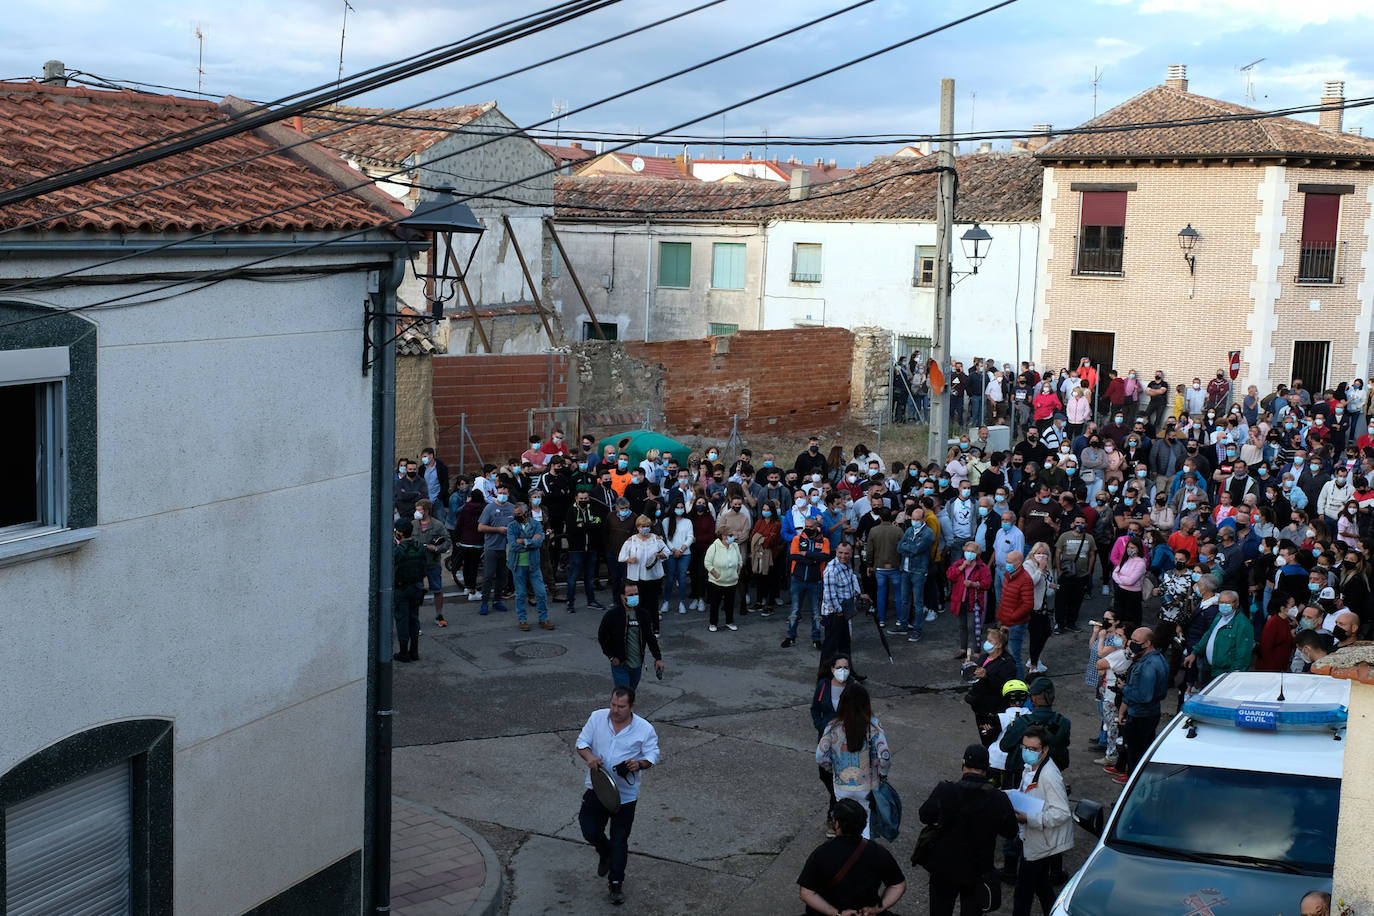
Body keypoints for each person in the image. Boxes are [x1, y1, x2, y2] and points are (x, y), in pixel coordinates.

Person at [576, 686, 661, 906]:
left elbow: (652, 755)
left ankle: (615, 884)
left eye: (621, 707)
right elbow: (581, 743)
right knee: (589, 829)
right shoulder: (597, 718)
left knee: (620, 841)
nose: (615, 710)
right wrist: (590, 757)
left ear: (631, 706)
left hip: (626, 796)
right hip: (598, 788)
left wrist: (638, 764)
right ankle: (603, 852)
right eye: (613, 704)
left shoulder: (644, 728)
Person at [916, 744, 1018, 916]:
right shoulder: (997, 798)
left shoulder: (945, 790)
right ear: (987, 767)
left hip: (944, 867)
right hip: (977, 871)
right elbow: (1011, 831)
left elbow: (924, 816)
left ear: (963, 764)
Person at [797, 798, 907, 916]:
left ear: (837, 824)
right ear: (864, 824)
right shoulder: (878, 852)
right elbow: (898, 886)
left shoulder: (821, 853)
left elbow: (806, 893)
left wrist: (837, 913)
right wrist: (876, 909)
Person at [1009, 725, 1073, 916]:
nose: (1028, 752)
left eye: (1033, 749)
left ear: (1045, 750)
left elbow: (1062, 812)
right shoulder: (1030, 767)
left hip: (1039, 844)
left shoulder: (1049, 776)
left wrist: (1029, 818)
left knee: (1022, 895)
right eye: (1025, 747)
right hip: (1029, 838)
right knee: (1042, 887)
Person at [816, 683, 890, 840]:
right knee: (866, 819)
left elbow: (820, 757)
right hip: (866, 786)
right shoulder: (873, 726)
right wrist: (882, 774)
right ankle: (863, 851)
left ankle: (843, 849)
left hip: (841, 786)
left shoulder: (832, 727)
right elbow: (885, 756)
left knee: (843, 821)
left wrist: (833, 769)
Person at [1116, 626, 1170, 784]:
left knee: (1136, 758)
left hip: (1141, 717)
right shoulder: (1158, 659)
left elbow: (1144, 696)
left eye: (1136, 641)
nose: (1131, 643)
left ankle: (1134, 791)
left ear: (1147, 643)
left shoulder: (1149, 666)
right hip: (1150, 715)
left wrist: (1124, 688)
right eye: (1131, 639)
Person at [597, 584, 664, 690]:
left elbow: (650, 638)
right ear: (623, 597)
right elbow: (602, 636)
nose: (634, 597)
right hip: (621, 665)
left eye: (636, 594)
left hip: (637, 665)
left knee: (631, 694)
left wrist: (658, 658)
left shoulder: (643, 615)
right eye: (631, 594)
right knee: (624, 695)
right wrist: (611, 656)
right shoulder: (612, 616)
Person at [812, 655, 852, 823]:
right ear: (832, 669)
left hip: (846, 742)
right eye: (839, 667)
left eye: (846, 667)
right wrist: (822, 726)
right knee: (825, 774)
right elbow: (815, 709)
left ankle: (833, 816)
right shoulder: (823, 686)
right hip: (826, 740)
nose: (843, 671)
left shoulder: (853, 687)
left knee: (840, 780)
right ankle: (837, 805)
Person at [1184, 589, 1254, 684]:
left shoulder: (1243, 624)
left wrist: (1236, 674)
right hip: (1209, 670)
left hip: (1226, 675)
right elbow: (1209, 634)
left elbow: (1243, 654)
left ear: (1236, 604)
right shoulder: (1219, 616)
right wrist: (1194, 653)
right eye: (1221, 602)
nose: (1223, 605)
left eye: (1227, 603)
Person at [784, 517, 832, 649]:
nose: (808, 529)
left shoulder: (824, 540)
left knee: (816, 613)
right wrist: (813, 560)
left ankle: (816, 639)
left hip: (815, 581)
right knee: (794, 611)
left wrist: (806, 554)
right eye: (806, 526)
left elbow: (825, 556)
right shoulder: (797, 539)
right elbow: (794, 556)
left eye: (811, 527)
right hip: (798, 580)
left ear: (817, 527)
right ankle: (790, 636)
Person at [966, 627, 1018, 745]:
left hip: (992, 711)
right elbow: (976, 673)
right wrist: (969, 667)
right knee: (983, 735)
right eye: (987, 640)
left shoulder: (1008, 663)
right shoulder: (985, 657)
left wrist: (986, 676)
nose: (987, 643)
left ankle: (991, 759)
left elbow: (1005, 687)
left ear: (999, 645)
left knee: (990, 738)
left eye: (990, 641)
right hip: (980, 708)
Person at [620, 515, 669, 635]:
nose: (645, 529)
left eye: (648, 526)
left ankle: (655, 627)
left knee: (653, 604)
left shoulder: (656, 539)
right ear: (638, 527)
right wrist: (630, 560)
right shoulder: (631, 540)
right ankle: (639, 627)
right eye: (643, 526)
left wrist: (660, 555)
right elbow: (621, 556)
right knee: (638, 604)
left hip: (653, 577)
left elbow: (667, 552)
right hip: (637, 579)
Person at [508, 501, 552, 632]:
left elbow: (539, 542)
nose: (516, 516)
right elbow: (513, 545)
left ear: (526, 513)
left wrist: (523, 541)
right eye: (515, 514)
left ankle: (543, 619)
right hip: (518, 565)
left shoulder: (535, 524)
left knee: (541, 593)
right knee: (521, 594)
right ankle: (522, 620)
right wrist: (531, 542)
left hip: (533, 564)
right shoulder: (512, 526)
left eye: (519, 514)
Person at [948, 541, 993, 665]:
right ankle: (963, 649)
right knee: (962, 626)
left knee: (973, 627)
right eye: (968, 551)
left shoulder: (982, 567)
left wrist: (974, 584)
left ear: (977, 553)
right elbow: (950, 575)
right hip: (960, 601)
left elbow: (987, 583)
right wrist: (962, 567)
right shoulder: (958, 563)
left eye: (972, 551)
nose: (969, 553)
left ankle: (977, 652)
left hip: (974, 601)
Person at [820, 542, 866, 661]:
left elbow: (848, 586)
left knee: (845, 646)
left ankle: (848, 672)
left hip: (843, 613)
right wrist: (840, 612)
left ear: (851, 553)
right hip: (835, 614)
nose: (843, 556)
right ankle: (824, 676)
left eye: (846, 553)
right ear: (836, 552)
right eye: (840, 553)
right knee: (830, 648)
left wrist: (858, 595)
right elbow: (830, 596)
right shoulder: (831, 570)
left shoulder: (847, 565)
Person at [410, 498, 452, 627]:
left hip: (433, 563)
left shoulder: (437, 525)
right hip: (416, 564)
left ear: (427, 511)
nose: (417, 513)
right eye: (416, 510)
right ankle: (414, 618)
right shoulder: (413, 524)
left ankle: (439, 615)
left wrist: (437, 548)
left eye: (419, 510)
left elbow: (447, 541)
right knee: (415, 591)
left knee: (437, 589)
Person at [477, 483, 515, 615]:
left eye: (505, 493)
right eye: (500, 493)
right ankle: (484, 603)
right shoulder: (490, 508)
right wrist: (498, 530)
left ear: (508, 494)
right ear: (496, 493)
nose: (503, 495)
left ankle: (497, 600)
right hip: (492, 547)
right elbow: (481, 527)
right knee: (488, 576)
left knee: (502, 576)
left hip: (506, 548)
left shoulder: (512, 508)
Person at [392, 520, 426, 663]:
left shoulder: (398, 550)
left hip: (402, 588)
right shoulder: (420, 547)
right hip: (417, 587)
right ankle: (415, 652)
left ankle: (404, 653)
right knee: (414, 619)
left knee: (402, 621)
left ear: (399, 532)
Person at [998, 550, 1034, 677]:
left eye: (1009, 562)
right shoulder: (1009, 575)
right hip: (1006, 621)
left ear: (1019, 563)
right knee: (1006, 655)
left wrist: (1012, 616)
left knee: (1015, 657)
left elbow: (1028, 605)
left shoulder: (1025, 579)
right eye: (1006, 561)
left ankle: (1020, 685)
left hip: (1016, 624)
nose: (1006, 564)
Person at [703, 527, 743, 632]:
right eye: (730, 535)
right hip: (716, 582)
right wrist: (715, 574)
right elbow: (707, 562)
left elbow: (740, 560)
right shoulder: (714, 547)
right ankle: (713, 623)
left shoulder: (735, 546)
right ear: (723, 536)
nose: (733, 537)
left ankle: (729, 622)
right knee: (715, 604)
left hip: (732, 581)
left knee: (730, 604)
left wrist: (738, 572)